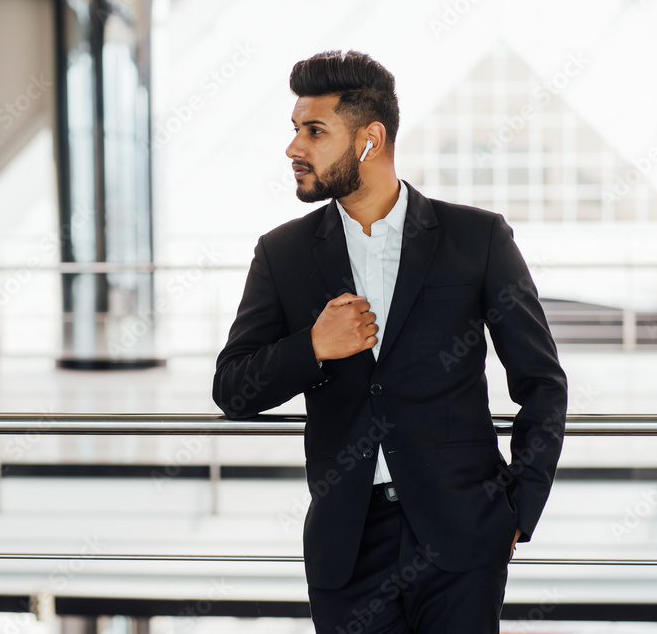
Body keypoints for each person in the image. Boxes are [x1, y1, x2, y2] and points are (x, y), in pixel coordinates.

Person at [212, 50, 567, 633]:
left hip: (463, 539)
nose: (293, 148)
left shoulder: (475, 238)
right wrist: (314, 346)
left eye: (314, 131)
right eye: (295, 130)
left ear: (369, 140)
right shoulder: (283, 253)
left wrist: (517, 511)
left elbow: (542, 383)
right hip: (348, 548)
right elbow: (232, 387)